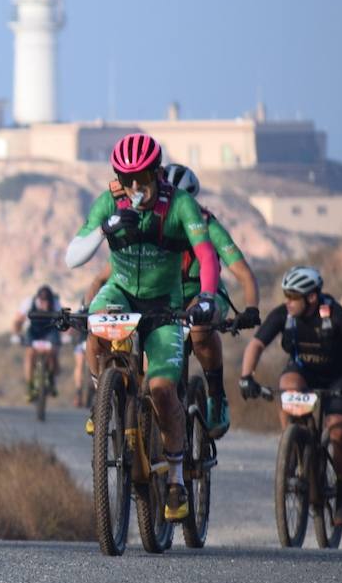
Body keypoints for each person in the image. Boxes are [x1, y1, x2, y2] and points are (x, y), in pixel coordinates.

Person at [66, 132, 220, 521]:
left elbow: (205, 253)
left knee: (163, 388)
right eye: (128, 179)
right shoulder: (109, 202)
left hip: (164, 304)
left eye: (144, 179)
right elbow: (73, 256)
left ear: (157, 174)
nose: (137, 188)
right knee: (95, 321)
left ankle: (177, 480)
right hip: (119, 291)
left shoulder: (180, 205)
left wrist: (206, 297)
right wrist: (106, 228)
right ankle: (104, 397)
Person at [86, 163, 262, 437]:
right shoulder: (148, 227)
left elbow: (243, 272)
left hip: (200, 292)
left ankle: (216, 396)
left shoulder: (204, 224)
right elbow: (104, 277)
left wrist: (251, 308)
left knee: (201, 331)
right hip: (162, 298)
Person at [238, 266, 342, 526]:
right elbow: (256, 344)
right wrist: (246, 377)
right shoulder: (285, 315)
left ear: (311, 298)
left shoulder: (333, 314)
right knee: (287, 386)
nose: (287, 302)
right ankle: (295, 446)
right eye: (286, 296)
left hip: (338, 377)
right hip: (303, 372)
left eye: (293, 297)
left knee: (339, 432)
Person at [11, 284, 63, 402]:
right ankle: (30, 387)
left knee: (53, 352)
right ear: (38, 298)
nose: (45, 304)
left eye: (47, 301)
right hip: (34, 331)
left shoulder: (56, 303)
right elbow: (18, 320)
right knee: (29, 355)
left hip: (50, 330)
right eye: (42, 301)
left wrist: (65, 335)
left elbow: (64, 321)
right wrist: (16, 334)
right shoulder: (29, 302)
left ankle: (51, 378)